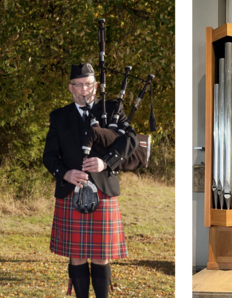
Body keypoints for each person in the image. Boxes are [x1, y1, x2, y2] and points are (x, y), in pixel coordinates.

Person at [43, 62, 138, 298]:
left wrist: (106, 163)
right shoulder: (59, 116)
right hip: (71, 192)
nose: (84, 89)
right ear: (70, 87)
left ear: (96, 86)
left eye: (88, 84)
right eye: (78, 85)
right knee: (77, 254)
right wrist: (65, 173)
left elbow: (131, 140)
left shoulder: (113, 110)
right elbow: (49, 155)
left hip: (103, 187)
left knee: (101, 254)